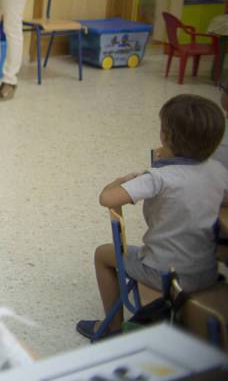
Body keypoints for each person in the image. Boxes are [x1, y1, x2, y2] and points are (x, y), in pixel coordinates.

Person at [76, 95, 228, 341]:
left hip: (163, 273)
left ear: (165, 137)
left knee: (102, 254)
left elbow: (107, 199)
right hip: (207, 272)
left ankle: (111, 327)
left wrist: (124, 179)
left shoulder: (158, 178)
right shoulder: (218, 171)